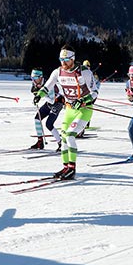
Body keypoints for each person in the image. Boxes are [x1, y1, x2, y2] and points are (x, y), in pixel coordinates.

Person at [36, 47, 98, 180]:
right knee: (64, 138)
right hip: (70, 109)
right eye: (61, 59)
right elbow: (47, 86)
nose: (63, 63)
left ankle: (72, 168)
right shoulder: (58, 72)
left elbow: (94, 92)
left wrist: (82, 100)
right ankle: (66, 167)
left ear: (73, 58)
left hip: (84, 110)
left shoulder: (84, 72)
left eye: (66, 60)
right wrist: (39, 95)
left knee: (70, 135)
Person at [30, 68, 63, 150]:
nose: (33, 80)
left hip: (57, 102)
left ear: (40, 77)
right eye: (32, 78)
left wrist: (40, 95)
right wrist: (36, 97)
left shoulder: (48, 84)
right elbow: (35, 91)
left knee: (49, 124)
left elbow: (51, 100)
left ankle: (61, 143)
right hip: (49, 103)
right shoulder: (36, 83)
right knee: (37, 119)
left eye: (35, 78)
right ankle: (40, 142)